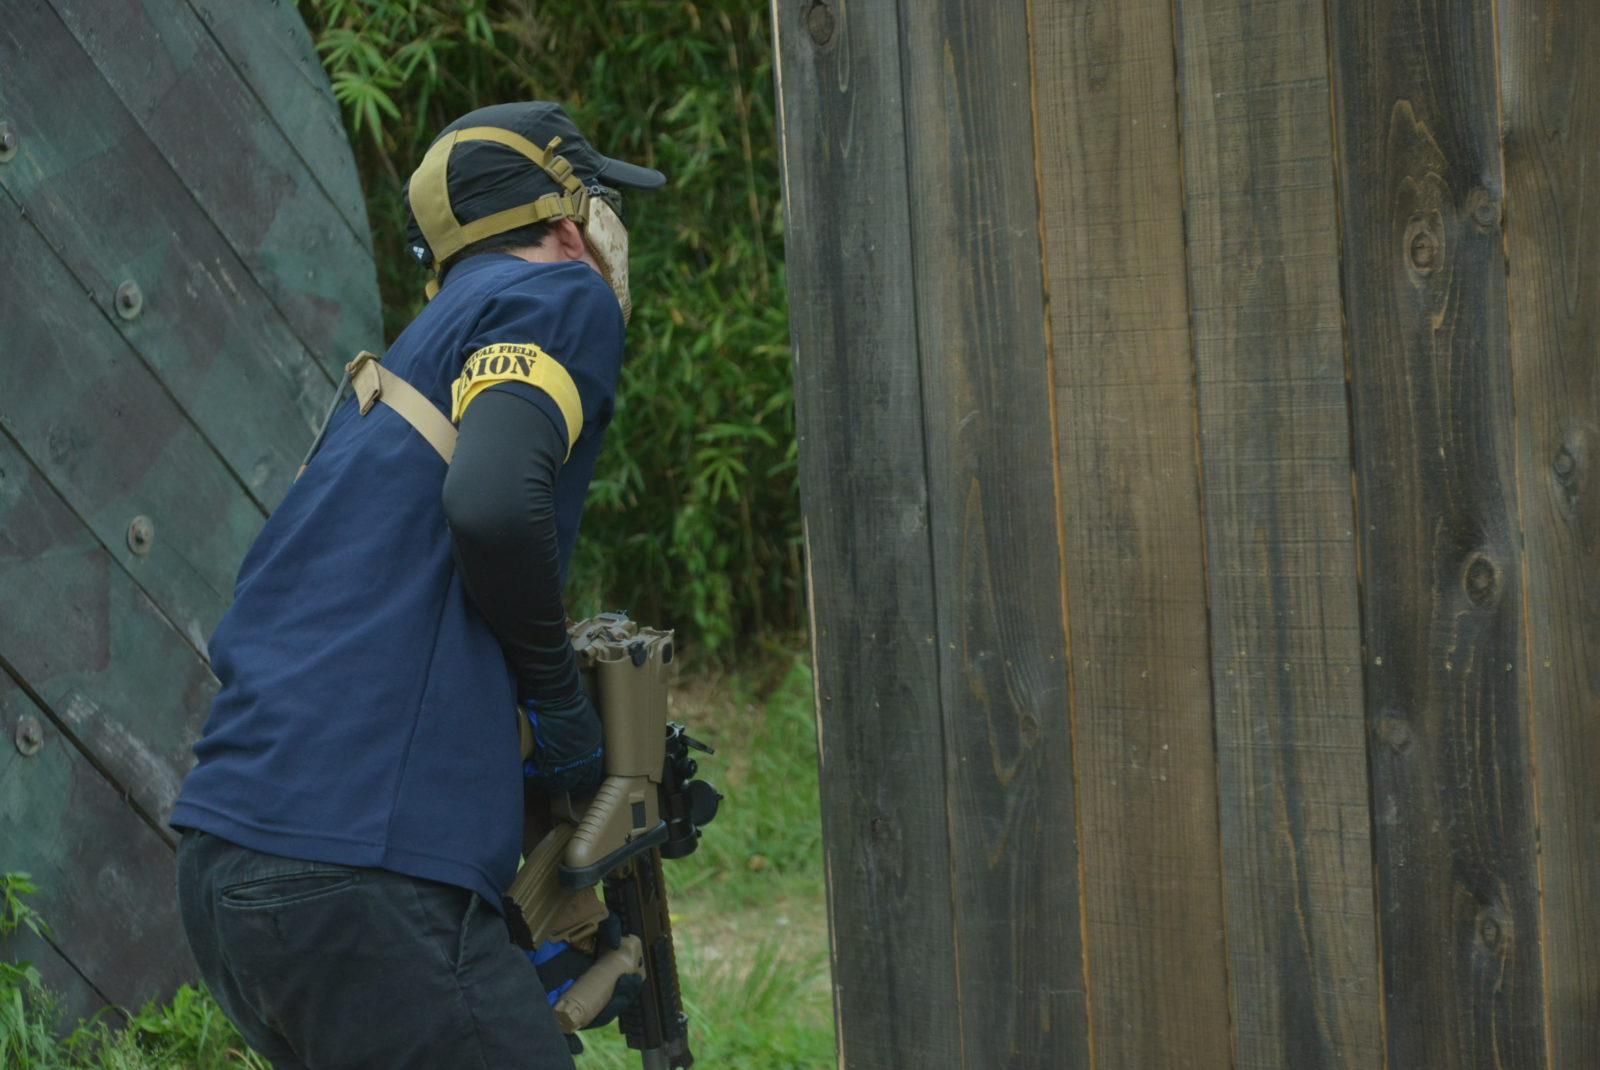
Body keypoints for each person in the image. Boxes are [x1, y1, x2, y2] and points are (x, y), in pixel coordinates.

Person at [169, 102, 665, 1069]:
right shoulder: (561, 294)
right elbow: (491, 505)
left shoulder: (400, 374)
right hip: (357, 871)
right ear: (570, 223)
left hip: (230, 866)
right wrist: (559, 704)